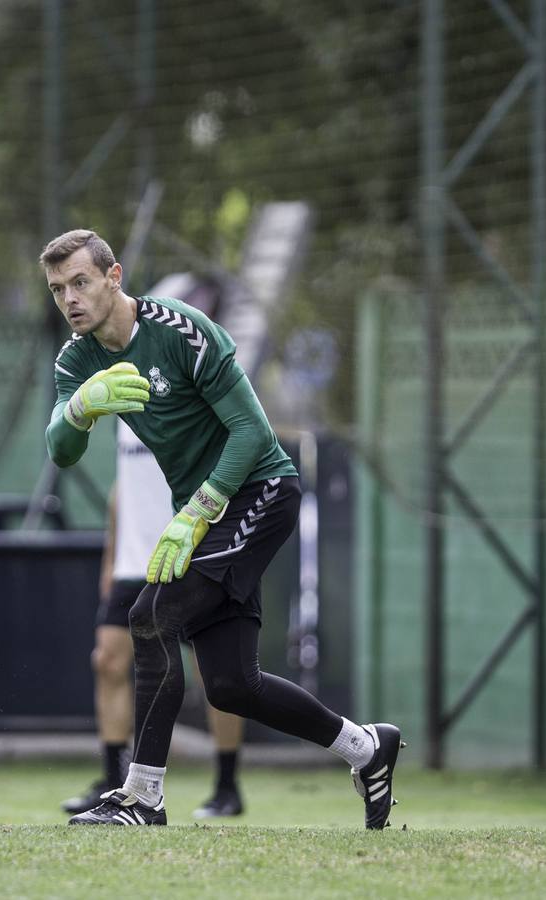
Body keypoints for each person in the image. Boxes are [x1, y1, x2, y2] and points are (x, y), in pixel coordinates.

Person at [41, 228, 403, 829]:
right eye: (58, 289)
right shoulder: (77, 359)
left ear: (114, 277)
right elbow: (61, 451)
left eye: (80, 282)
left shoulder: (180, 329)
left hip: (257, 491)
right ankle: (366, 749)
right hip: (207, 513)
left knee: (148, 617)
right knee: (232, 685)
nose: (70, 299)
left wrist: (197, 511)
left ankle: (143, 796)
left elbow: (253, 433)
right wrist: (79, 409)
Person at [60, 419, 247, 819]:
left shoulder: (192, 393)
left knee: (217, 676)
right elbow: (123, 486)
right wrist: (111, 553)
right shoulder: (125, 407)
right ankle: (114, 780)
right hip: (132, 562)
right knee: (108, 661)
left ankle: (227, 785)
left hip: (187, 555)